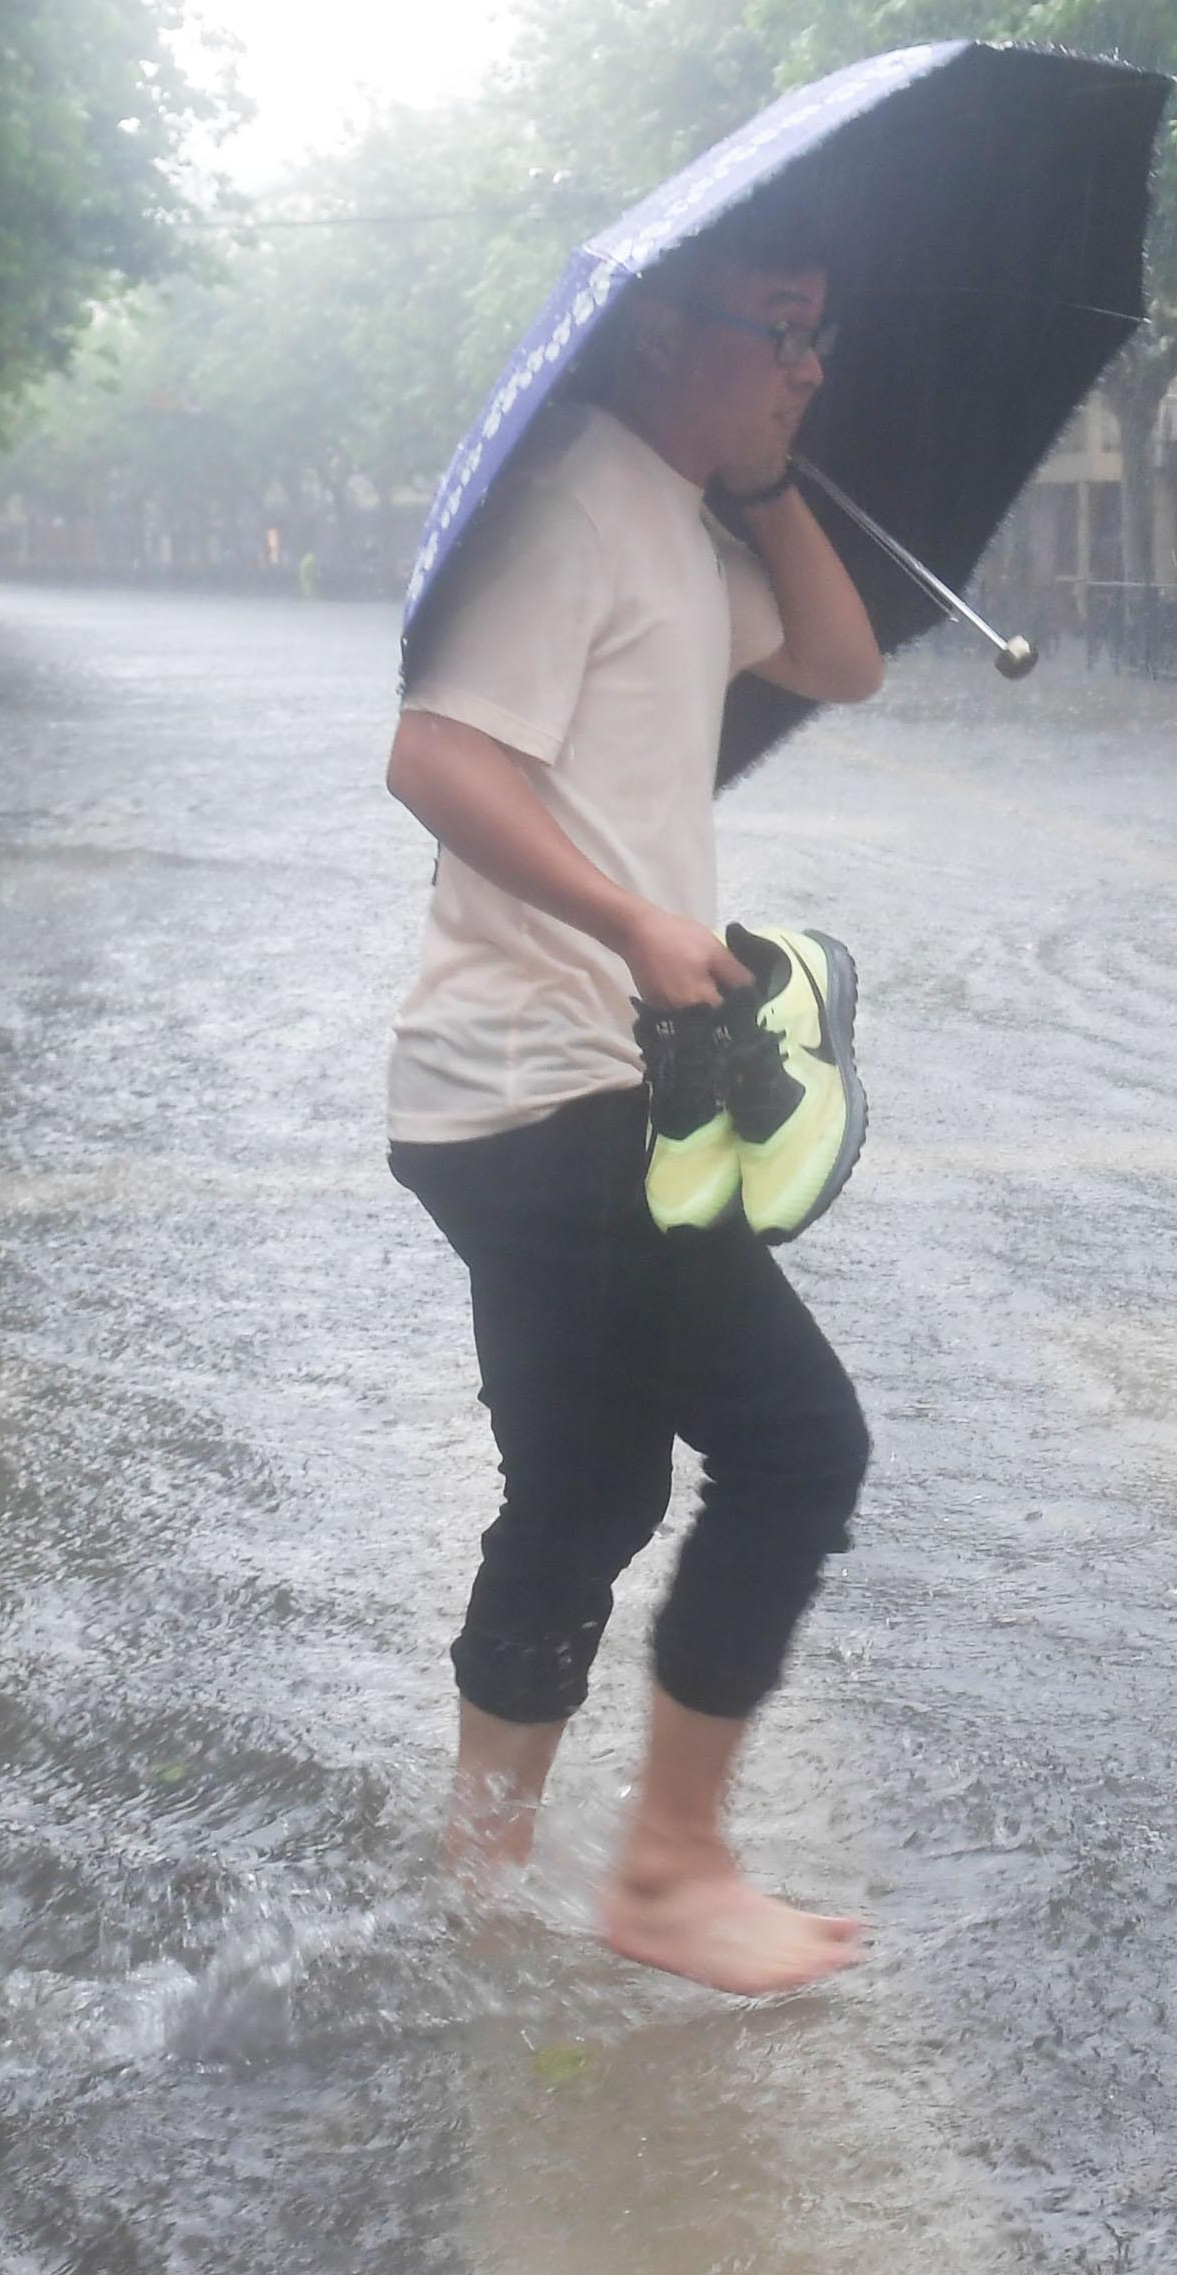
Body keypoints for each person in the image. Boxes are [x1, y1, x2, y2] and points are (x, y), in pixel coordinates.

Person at [380, 220, 888, 1995]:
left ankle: (478, 1880)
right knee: (799, 1444)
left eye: (820, 333)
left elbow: (840, 657)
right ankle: (667, 1868)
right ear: (661, 331)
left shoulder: (666, 512)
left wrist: (767, 478)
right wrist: (627, 916)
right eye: (780, 327)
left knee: (586, 1488)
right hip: (548, 1081)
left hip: (521, 1094)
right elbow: (433, 751)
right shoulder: (571, 499)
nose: (808, 363)